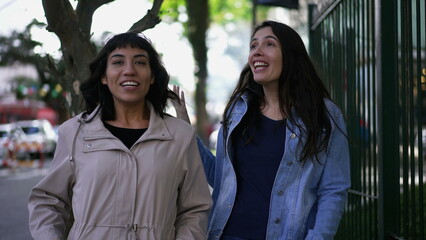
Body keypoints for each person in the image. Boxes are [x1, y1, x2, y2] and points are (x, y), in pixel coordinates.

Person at [172, 20, 350, 240]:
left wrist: (318, 237)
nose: (257, 52)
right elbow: (218, 177)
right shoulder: (238, 112)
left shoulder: (323, 115)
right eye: (253, 46)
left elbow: (333, 190)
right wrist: (185, 132)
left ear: (291, 55)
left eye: (269, 44)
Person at [28, 32, 212, 240]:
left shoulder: (180, 135)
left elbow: (194, 209)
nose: (129, 70)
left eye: (140, 62)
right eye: (118, 62)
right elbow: (48, 200)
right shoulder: (74, 132)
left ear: (152, 77)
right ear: (104, 77)